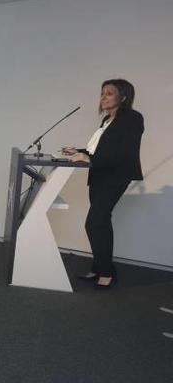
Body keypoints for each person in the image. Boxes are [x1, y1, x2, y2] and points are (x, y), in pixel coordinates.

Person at [63, 79, 144, 289]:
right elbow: (100, 151)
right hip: (99, 175)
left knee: (94, 222)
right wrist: (79, 151)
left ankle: (106, 273)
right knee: (101, 223)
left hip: (115, 176)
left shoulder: (133, 118)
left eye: (109, 93)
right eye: (102, 93)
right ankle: (101, 269)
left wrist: (89, 159)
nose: (103, 97)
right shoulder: (107, 120)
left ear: (123, 97)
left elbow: (124, 153)